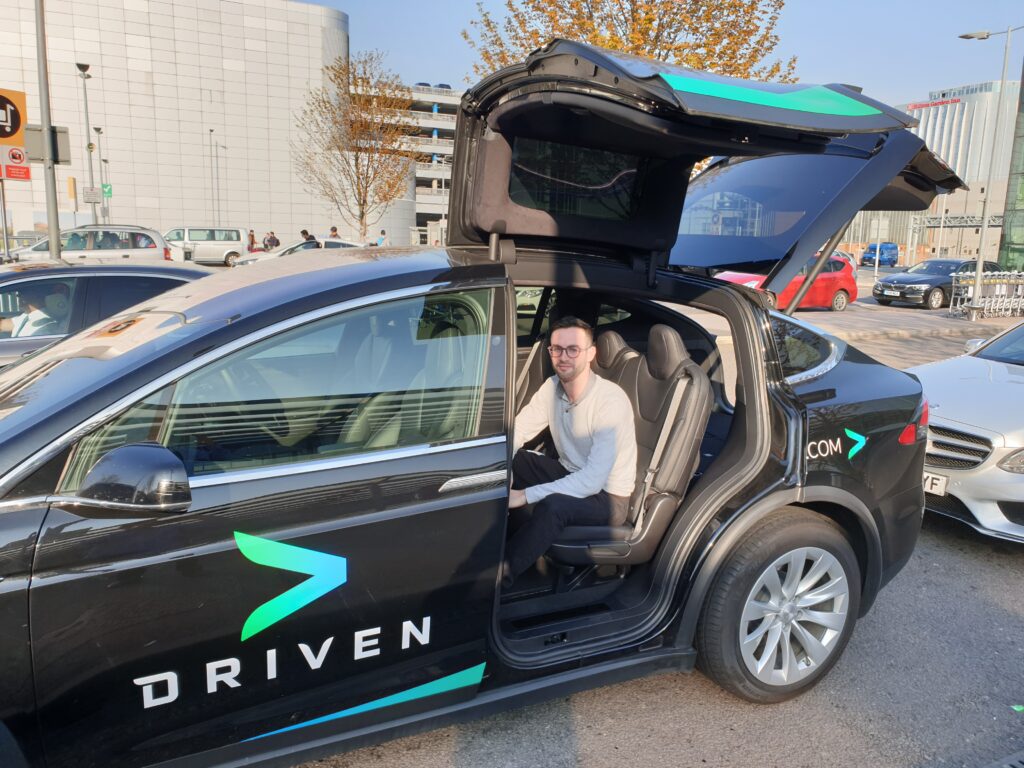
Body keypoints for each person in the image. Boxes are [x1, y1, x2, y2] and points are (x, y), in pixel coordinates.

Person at [502, 316, 637, 586]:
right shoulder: (552, 387)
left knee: (554, 506)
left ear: (591, 354)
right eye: (556, 349)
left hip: (608, 497)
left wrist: (524, 495)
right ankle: (494, 535)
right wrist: (502, 467)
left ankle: (502, 574)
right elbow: (520, 431)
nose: (563, 357)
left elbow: (592, 480)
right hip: (569, 470)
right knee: (515, 460)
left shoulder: (610, 402)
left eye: (573, 349)